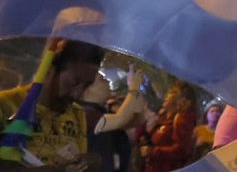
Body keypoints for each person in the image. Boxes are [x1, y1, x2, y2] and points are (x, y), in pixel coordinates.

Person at [0, 39, 106, 171]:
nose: (77, 95)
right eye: (74, 82)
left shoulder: (77, 113)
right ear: (49, 70)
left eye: (87, 85)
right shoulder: (5, 104)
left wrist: (89, 163)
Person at [79, 68, 146, 172]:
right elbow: (119, 119)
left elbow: (138, 119)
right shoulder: (85, 114)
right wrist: (133, 88)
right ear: (88, 90)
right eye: (102, 79)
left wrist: (135, 88)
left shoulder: (101, 113)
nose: (108, 81)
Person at [140, 81, 196, 172]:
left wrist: (153, 151)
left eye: (173, 92)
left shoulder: (181, 119)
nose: (167, 95)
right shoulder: (163, 117)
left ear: (182, 101)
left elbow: (181, 150)